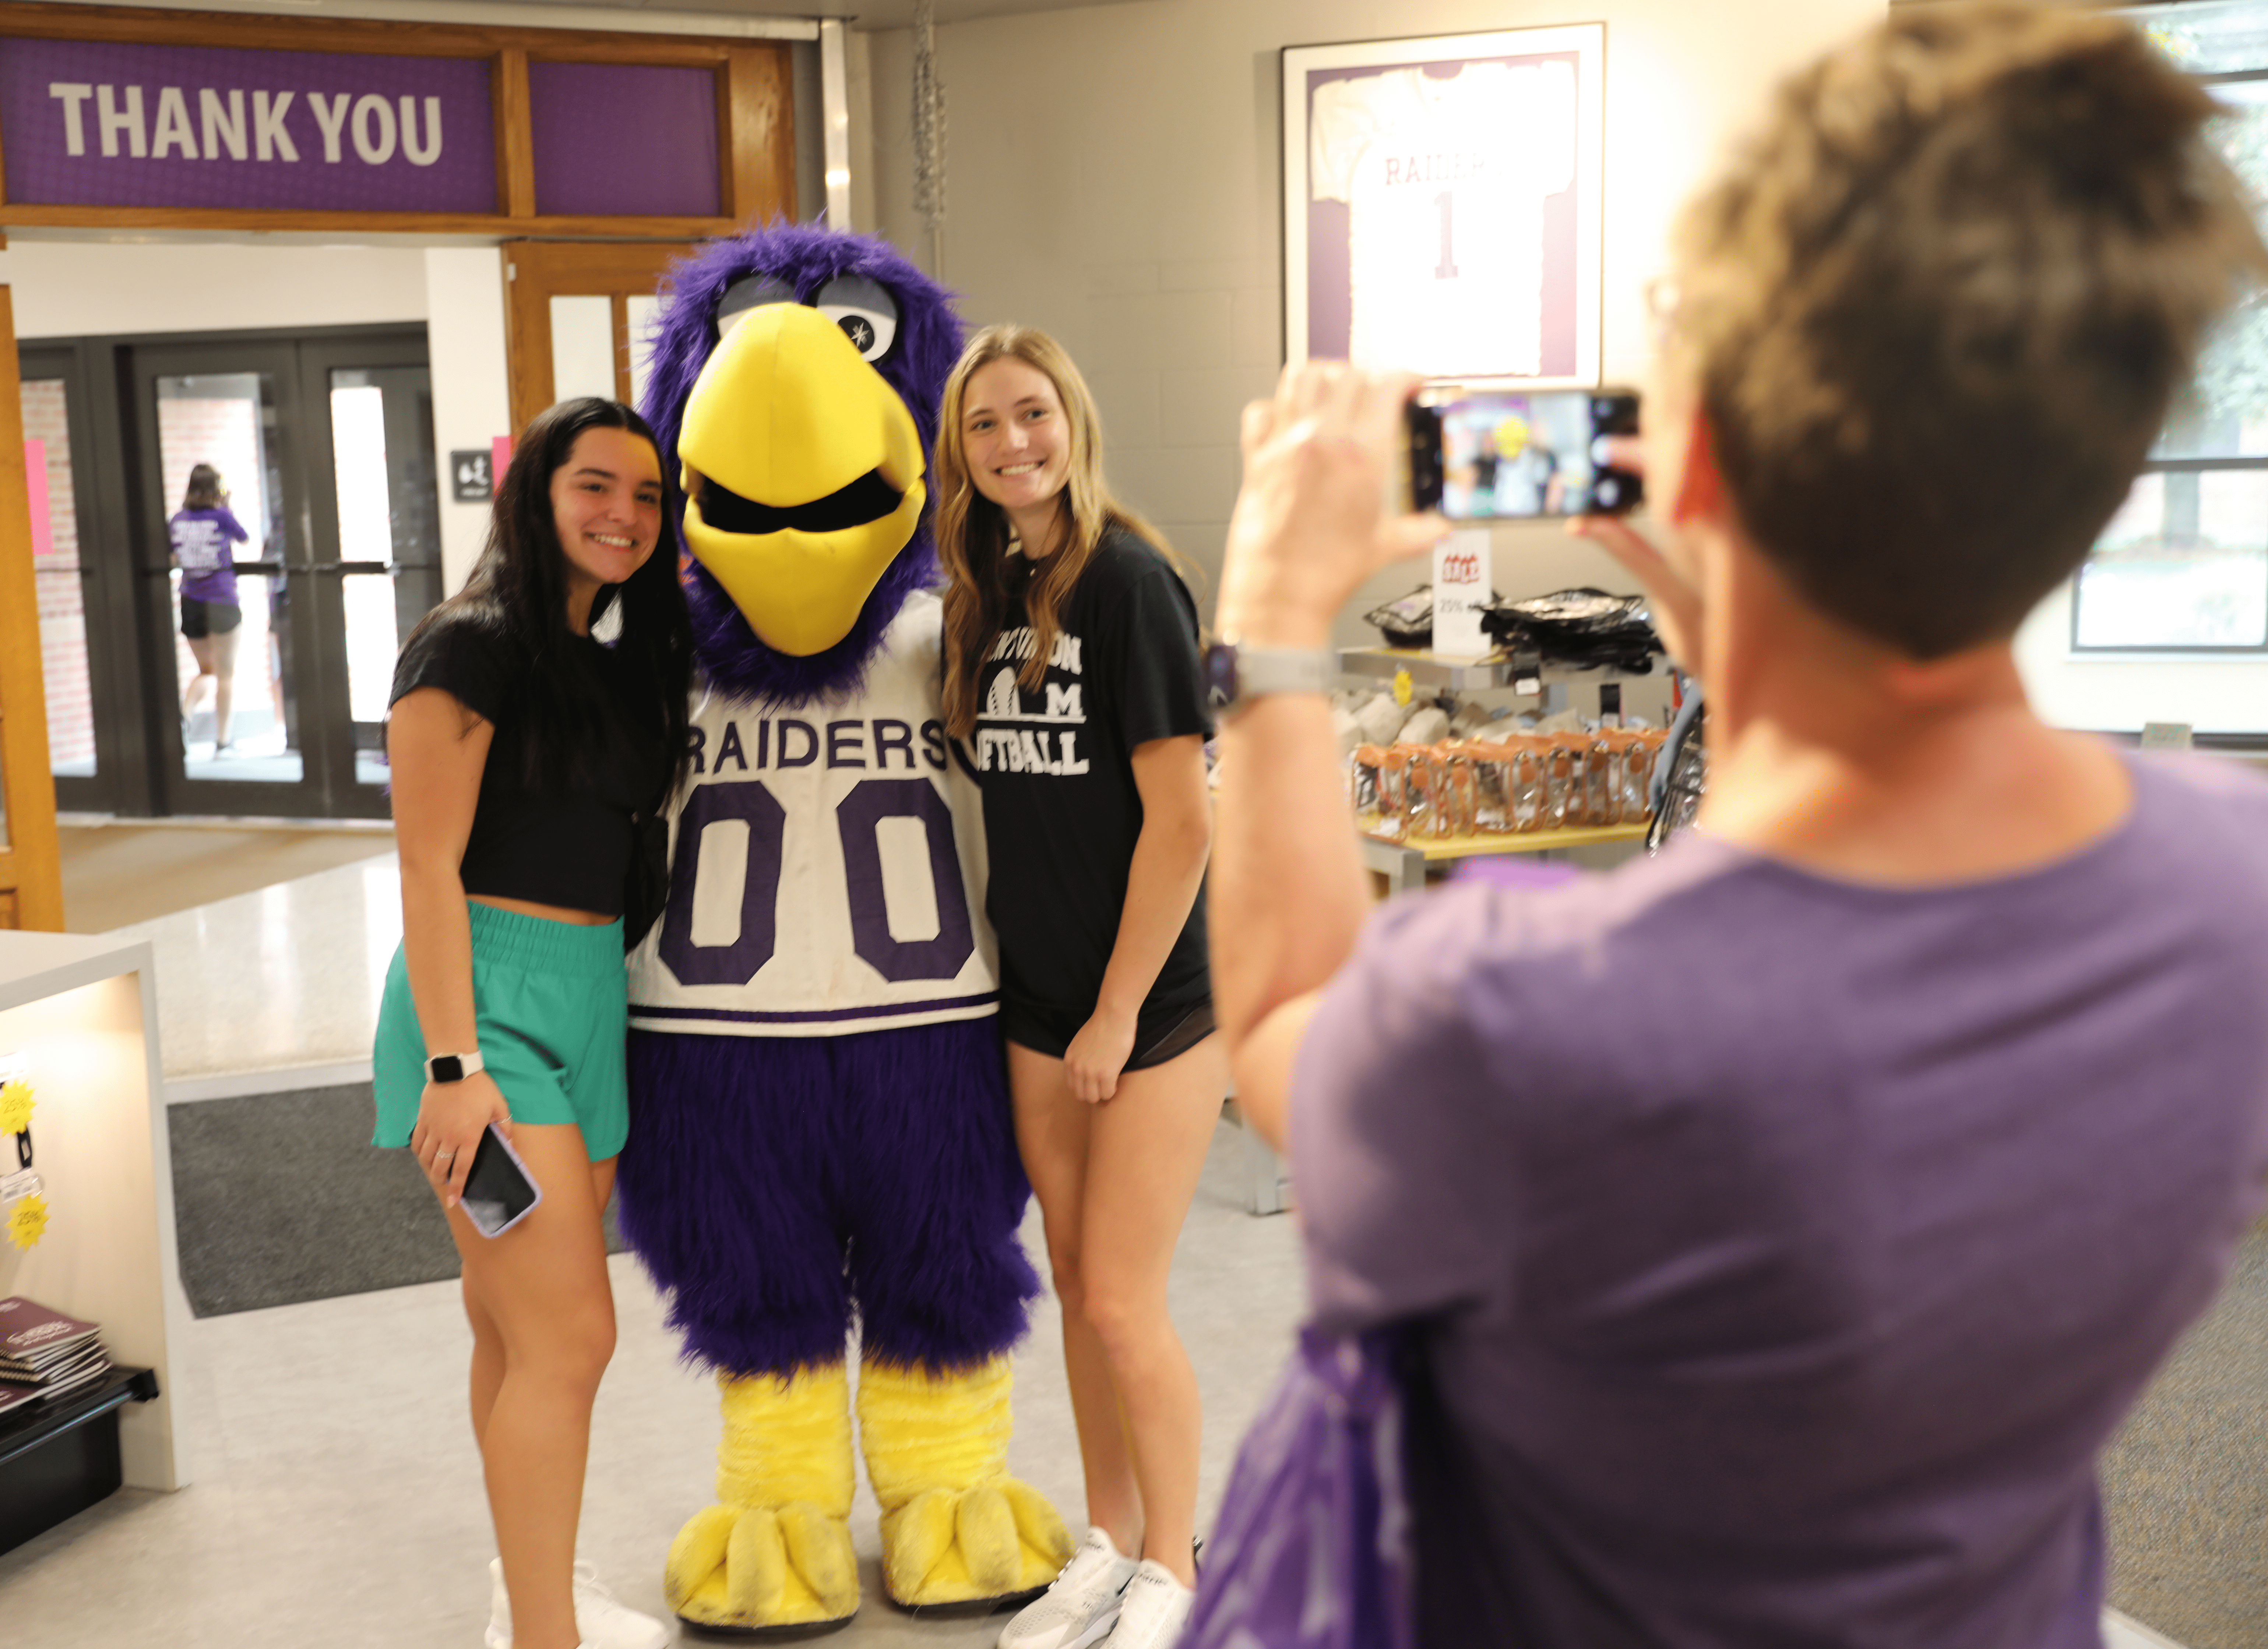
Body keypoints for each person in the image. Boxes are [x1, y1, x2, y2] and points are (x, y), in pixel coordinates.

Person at [1203, 7, 2268, 1647]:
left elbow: (1278, 1020)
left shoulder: (1513, 1012)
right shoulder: (2231, 894)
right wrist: (1738, 634)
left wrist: (1272, 609)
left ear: (1689, 450)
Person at [371, 397, 692, 1649]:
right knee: (572, 1337)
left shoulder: (612, 656)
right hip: (486, 1017)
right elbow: (425, 869)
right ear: (538, 494)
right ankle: (546, 1638)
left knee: (511, 1328)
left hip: (591, 1006)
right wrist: (454, 1066)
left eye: (648, 498)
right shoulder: (469, 644)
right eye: (596, 486)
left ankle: (529, 1595)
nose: (624, 515)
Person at [933, 325, 1223, 1649]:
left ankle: (1175, 1561)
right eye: (984, 424)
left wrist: (1117, 1010)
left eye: (1032, 415)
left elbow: (1182, 824)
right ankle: (1109, 1540)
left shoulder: (1129, 583)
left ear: (1074, 421)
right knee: (1070, 1271)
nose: (1012, 444)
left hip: (1150, 1010)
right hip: (1037, 998)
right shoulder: (991, 589)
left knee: (1121, 1295)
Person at [169, 464, 250, 755]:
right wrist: (226, 507)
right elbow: (244, 537)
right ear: (217, 490)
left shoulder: (177, 520)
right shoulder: (221, 516)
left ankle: (185, 717)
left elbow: (171, 553)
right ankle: (223, 741)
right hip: (222, 599)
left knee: (208, 670)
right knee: (226, 674)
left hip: (190, 602)